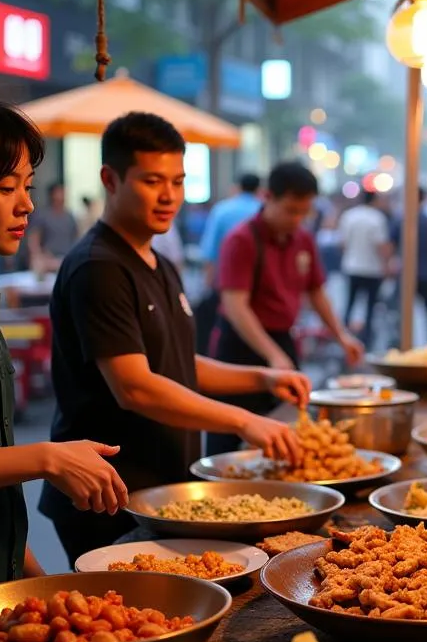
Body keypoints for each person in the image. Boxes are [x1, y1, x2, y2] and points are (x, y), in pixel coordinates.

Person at [41, 114, 307, 565]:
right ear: (110, 179)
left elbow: (180, 364)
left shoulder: (158, 263)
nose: (169, 196)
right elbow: (136, 386)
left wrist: (262, 377)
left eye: (178, 181)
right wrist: (243, 421)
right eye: (151, 181)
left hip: (162, 490)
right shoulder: (99, 266)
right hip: (109, 495)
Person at [0, 85, 127, 607]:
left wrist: (39, 585)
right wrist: (48, 459)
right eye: (6, 186)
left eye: (28, 185)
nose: (28, 204)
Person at [208, 161, 363, 455]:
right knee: (229, 436)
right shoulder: (241, 240)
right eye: (291, 210)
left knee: (289, 427)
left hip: (282, 342)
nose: (298, 219)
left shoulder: (303, 239)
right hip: (240, 347)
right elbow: (235, 305)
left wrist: (341, 336)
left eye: (305, 212)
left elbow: (316, 292)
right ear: (268, 197)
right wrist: (272, 355)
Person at [194, 173, 263, 350]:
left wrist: (209, 283)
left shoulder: (222, 210)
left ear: (238, 187)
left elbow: (210, 253)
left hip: (225, 284)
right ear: (259, 189)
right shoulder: (262, 210)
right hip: (259, 287)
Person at [390, 188, 427, 342]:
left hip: (406, 276)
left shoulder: (399, 221)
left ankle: (402, 344)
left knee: (402, 316)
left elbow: (390, 248)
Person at [338, 191, 391, 348]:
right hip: (372, 269)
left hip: (351, 267)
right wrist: (386, 265)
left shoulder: (349, 216)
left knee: (349, 304)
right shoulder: (377, 218)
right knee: (370, 307)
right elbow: (381, 245)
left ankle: (344, 337)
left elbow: (342, 243)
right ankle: (366, 341)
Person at [27, 180, 79, 273]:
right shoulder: (42, 215)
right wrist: (38, 255)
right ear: (52, 195)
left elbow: (75, 238)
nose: (61, 195)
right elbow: (33, 239)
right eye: (58, 192)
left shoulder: (70, 216)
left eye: (63, 192)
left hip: (66, 258)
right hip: (48, 259)